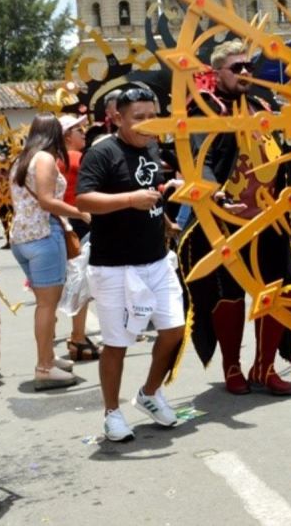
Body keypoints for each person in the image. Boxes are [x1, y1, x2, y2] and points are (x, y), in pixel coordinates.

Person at [178, 39, 291, 396]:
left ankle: (264, 367)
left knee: (274, 290)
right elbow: (199, 158)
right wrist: (213, 196)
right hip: (225, 219)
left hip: (270, 216)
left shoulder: (262, 104)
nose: (245, 73)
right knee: (227, 295)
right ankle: (232, 367)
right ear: (217, 73)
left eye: (249, 67)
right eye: (236, 68)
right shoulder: (203, 108)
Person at [76, 85, 184, 443]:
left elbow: (153, 192)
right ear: (117, 118)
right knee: (117, 343)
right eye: (139, 118)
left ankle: (150, 393)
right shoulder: (102, 153)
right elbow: (85, 200)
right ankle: (112, 413)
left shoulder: (153, 148)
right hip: (113, 267)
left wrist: (165, 220)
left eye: (152, 116)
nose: (147, 123)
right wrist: (129, 200)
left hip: (155, 260)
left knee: (173, 331)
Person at [10, 113, 88, 390]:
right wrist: (81, 213)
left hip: (22, 237)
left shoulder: (21, 159)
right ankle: (44, 366)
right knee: (47, 305)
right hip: (44, 235)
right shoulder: (43, 159)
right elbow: (47, 201)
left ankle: (49, 358)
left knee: (45, 303)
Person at [59, 113, 100, 362]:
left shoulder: (53, 159)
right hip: (82, 222)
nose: (83, 133)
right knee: (82, 282)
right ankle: (77, 337)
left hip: (67, 223)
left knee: (76, 282)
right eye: (78, 130)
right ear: (66, 136)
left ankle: (77, 336)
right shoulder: (74, 159)